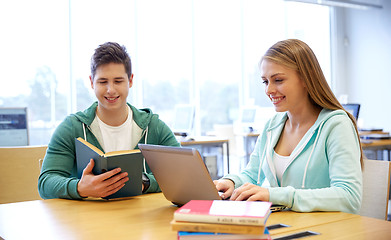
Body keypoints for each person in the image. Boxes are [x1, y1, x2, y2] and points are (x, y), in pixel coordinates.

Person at [214, 39, 363, 214]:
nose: (269, 90)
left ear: (306, 78)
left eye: (278, 80)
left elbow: (349, 197)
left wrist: (277, 195)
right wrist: (231, 182)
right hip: (288, 225)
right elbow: (253, 174)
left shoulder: (336, 124)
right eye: (265, 81)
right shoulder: (272, 126)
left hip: (327, 230)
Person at [38, 42, 180, 199]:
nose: (110, 90)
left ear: (130, 80)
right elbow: (45, 183)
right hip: (87, 220)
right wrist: (80, 188)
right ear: (92, 82)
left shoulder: (154, 126)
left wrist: (145, 182)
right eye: (103, 81)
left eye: (118, 81)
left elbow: (182, 174)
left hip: (141, 219)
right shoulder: (72, 127)